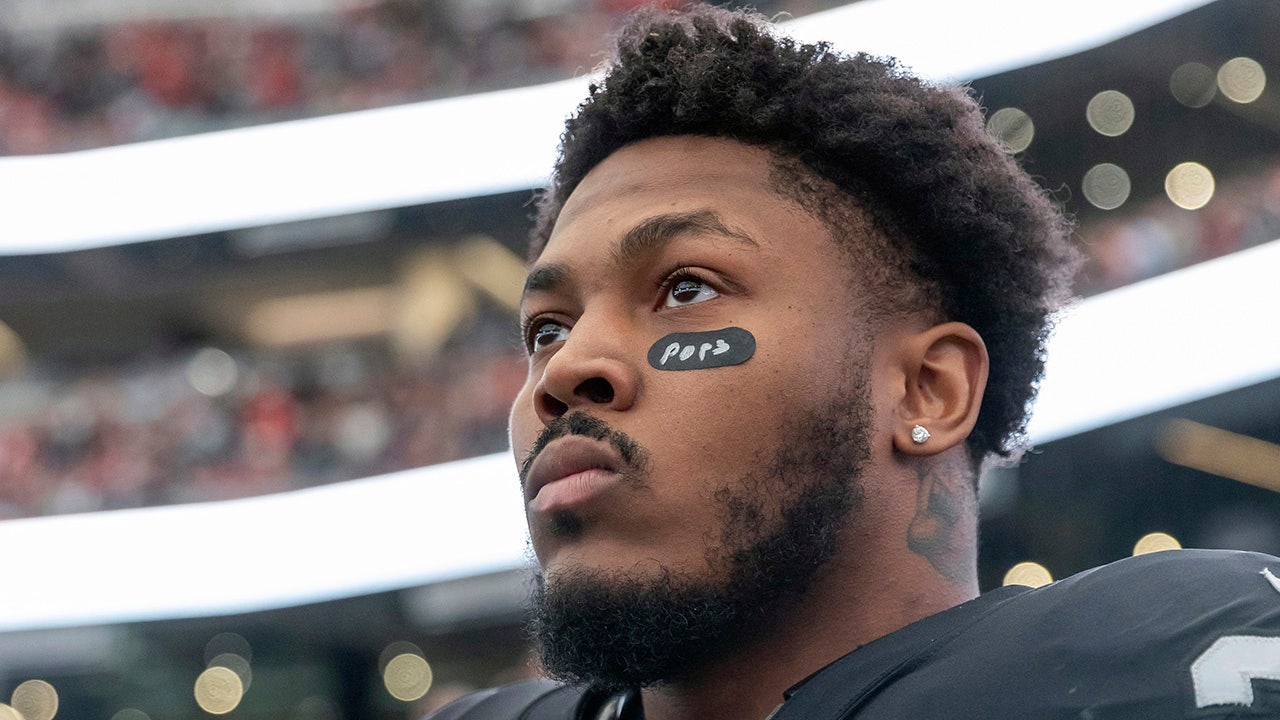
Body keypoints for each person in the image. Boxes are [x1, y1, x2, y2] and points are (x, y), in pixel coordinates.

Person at [429, 5, 1280, 719]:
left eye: (687, 289)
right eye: (546, 329)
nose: (565, 368)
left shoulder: (1170, 664)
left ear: (927, 389)